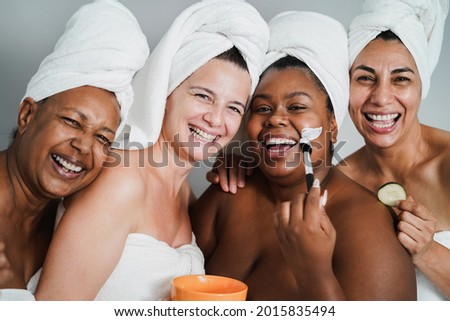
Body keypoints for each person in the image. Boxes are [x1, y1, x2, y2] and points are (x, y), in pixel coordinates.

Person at [29, 0, 269, 300]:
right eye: (203, 96)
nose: (216, 119)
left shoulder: (183, 193)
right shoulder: (122, 181)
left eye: (233, 107)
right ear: (165, 93)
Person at [190, 11, 416, 300]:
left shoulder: (367, 225)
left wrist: (314, 272)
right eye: (262, 108)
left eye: (296, 107)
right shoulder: (228, 193)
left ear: (332, 125)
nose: (275, 119)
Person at [0, 0, 148, 298]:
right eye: (72, 121)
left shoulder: (73, 221)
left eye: (103, 138)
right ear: (28, 114)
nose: (83, 146)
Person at [341, 0, 450, 300]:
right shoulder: (335, 181)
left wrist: (427, 251)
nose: (381, 98)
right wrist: (240, 164)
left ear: (421, 86)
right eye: (365, 78)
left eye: (400, 79)